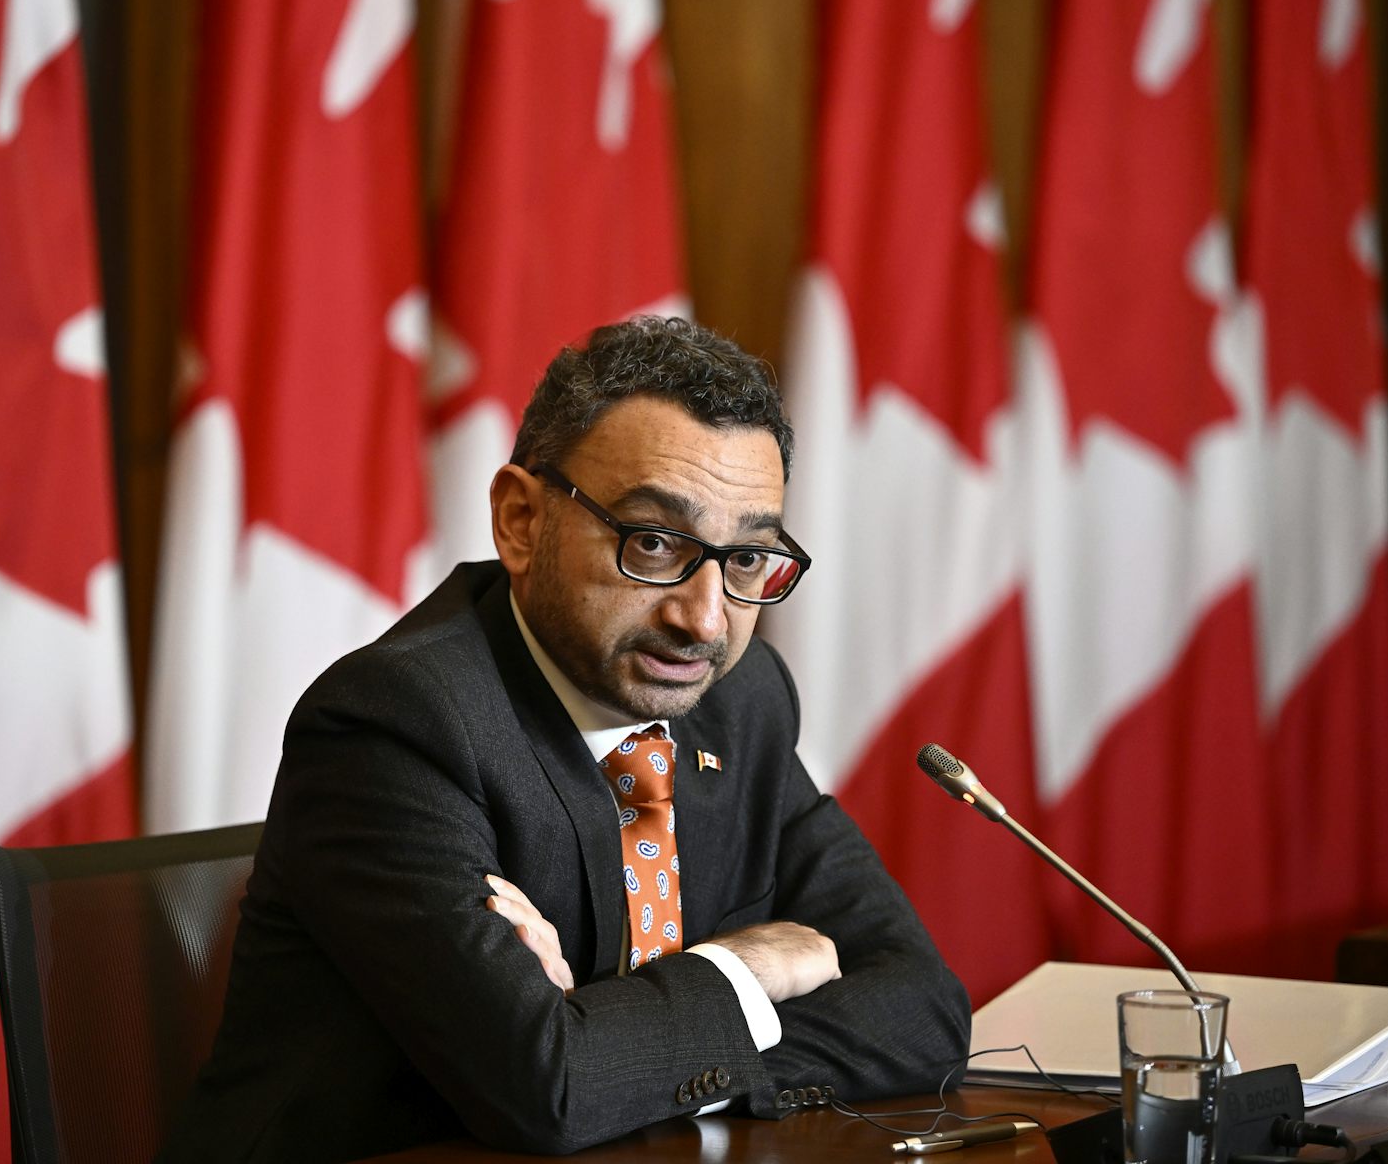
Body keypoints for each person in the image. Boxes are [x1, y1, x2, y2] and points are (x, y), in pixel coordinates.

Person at [166, 317, 970, 1161]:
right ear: (520, 520)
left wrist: (617, 1040)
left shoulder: (744, 703)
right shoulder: (395, 726)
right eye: (653, 542)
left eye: (745, 562)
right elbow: (550, 1090)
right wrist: (745, 971)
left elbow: (926, 1010)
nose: (703, 619)